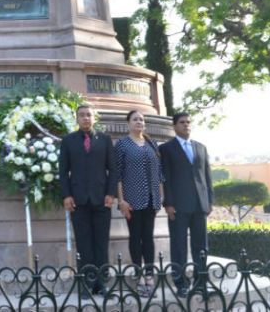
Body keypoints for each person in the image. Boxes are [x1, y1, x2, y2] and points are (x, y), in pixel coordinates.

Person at [59, 104, 117, 299]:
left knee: (101, 242)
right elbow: (63, 172)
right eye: (82, 115)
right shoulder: (68, 141)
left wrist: (111, 193)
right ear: (76, 118)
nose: (85, 118)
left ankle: (101, 283)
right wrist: (66, 195)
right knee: (83, 244)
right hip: (78, 200)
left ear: (94, 118)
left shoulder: (105, 140)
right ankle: (87, 283)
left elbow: (113, 170)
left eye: (88, 115)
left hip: (102, 200)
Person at [159, 112, 213, 298]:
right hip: (178, 206)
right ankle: (181, 283)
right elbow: (165, 179)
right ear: (174, 126)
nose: (186, 125)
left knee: (201, 246)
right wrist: (168, 203)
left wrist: (209, 202)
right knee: (179, 246)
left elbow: (207, 177)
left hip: (200, 205)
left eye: (188, 122)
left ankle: (201, 281)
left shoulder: (201, 148)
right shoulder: (166, 149)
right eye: (182, 122)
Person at [116, 110, 164, 297]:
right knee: (136, 237)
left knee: (148, 238)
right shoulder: (122, 144)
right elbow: (117, 175)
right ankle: (139, 275)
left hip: (151, 199)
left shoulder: (152, 143)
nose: (139, 122)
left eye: (142, 119)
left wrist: (161, 195)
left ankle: (150, 275)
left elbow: (159, 172)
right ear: (128, 123)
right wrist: (121, 200)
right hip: (132, 200)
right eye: (135, 119)